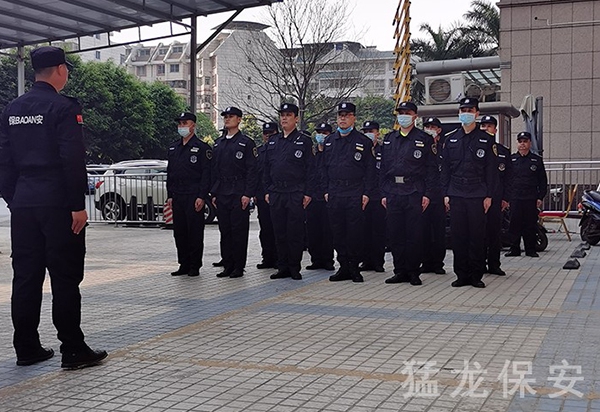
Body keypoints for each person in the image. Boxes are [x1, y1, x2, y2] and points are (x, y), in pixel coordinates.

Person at [0, 46, 107, 368]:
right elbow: (72, 160)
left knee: (26, 277)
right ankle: (73, 349)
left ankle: (27, 348)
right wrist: (77, 205)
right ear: (60, 70)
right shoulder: (63, 108)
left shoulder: (12, 109)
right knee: (64, 277)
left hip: (24, 203)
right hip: (58, 204)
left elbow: (4, 162)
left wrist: (14, 198)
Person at [441, 97, 498, 288]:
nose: (466, 113)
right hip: (456, 193)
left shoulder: (487, 140)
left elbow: (491, 170)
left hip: (477, 194)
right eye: (463, 110)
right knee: (458, 237)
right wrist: (446, 193)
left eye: (470, 110)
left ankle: (476, 275)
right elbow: (446, 169)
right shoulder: (451, 139)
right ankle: (461, 275)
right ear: (459, 113)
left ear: (477, 113)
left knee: (476, 236)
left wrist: (489, 195)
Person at [380, 103, 437, 286]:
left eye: (407, 113)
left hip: (414, 191)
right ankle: (400, 271)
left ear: (415, 116)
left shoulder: (424, 139)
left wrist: (427, 194)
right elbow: (382, 171)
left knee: (414, 234)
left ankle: (413, 271)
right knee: (395, 234)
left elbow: (431, 170)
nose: (403, 116)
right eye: (401, 113)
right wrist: (383, 193)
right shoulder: (389, 139)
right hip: (393, 192)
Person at [322, 102, 376, 283]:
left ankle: (354, 267)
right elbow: (322, 169)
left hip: (354, 191)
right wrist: (326, 191)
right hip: (335, 192)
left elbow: (370, 171)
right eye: (340, 115)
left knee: (354, 232)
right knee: (337, 232)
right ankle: (343, 266)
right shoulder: (329, 141)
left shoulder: (363, 141)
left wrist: (366, 193)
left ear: (354, 118)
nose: (342, 118)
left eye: (346, 115)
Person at [264, 103, 314, 280]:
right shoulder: (273, 141)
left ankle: (294, 267)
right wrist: (268, 189)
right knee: (279, 232)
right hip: (277, 192)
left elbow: (310, 169)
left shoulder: (304, 141)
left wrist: (308, 193)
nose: (284, 118)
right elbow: (267, 168)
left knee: (294, 232)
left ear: (296, 118)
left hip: (295, 192)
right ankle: (282, 266)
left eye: (288, 115)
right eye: (282, 115)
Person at [210, 106, 258, 278]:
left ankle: (239, 266)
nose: (227, 119)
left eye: (231, 117)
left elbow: (252, 171)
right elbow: (214, 171)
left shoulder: (246, 143)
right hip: (222, 191)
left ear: (239, 120)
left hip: (238, 192)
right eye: (225, 117)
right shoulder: (218, 143)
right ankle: (227, 264)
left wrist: (248, 194)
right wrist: (214, 193)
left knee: (238, 231)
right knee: (225, 231)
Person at [167, 112, 212, 277]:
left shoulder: (202, 148)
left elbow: (206, 175)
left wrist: (202, 196)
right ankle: (183, 263)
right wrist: (170, 195)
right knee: (179, 232)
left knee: (194, 232)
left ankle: (194, 265)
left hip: (193, 196)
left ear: (193, 125)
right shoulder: (173, 148)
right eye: (180, 124)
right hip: (178, 195)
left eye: (185, 123)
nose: (181, 126)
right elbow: (170, 173)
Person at [505, 131, 548, 257]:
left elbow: (542, 180)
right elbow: (506, 180)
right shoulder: (511, 159)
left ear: (529, 143)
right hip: (515, 197)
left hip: (530, 198)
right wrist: (506, 198)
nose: (522, 144)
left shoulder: (536, 160)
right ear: (517, 143)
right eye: (520, 141)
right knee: (514, 224)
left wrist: (540, 197)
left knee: (530, 224)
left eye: (525, 141)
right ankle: (514, 249)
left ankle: (530, 249)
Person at [479, 115, 511, 275]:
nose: (485, 128)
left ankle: (494, 264)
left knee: (494, 233)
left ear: (495, 130)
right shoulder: (475, 149)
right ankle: (479, 264)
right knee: (479, 233)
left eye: (489, 126)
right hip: (478, 198)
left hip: (496, 199)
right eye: (483, 125)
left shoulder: (503, 152)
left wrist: (505, 198)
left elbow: (509, 178)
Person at [305, 122, 335, 271]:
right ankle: (316, 259)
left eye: (324, 133)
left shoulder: (332, 152)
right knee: (313, 230)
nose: (321, 135)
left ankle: (328, 260)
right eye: (319, 132)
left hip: (327, 197)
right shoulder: (312, 153)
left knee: (327, 230)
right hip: (312, 197)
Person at [420, 117, 447, 275]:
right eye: (427, 126)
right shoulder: (421, 147)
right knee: (423, 230)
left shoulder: (445, 148)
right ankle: (425, 261)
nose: (430, 129)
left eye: (433, 126)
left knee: (438, 232)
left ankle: (438, 263)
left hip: (439, 196)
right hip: (423, 195)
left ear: (439, 130)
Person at [359, 120, 386, 273]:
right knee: (363, 230)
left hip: (378, 196)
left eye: (371, 130)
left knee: (378, 231)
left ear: (378, 133)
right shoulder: (360, 149)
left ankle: (378, 261)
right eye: (366, 131)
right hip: (363, 196)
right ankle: (365, 260)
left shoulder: (384, 150)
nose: (369, 133)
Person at [255, 122, 279, 269]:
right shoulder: (259, 152)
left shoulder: (280, 150)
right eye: (266, 133)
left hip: (277, 194)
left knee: (278, 228)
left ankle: (279, 258)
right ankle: (267, 258)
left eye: (271, 133)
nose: (268, 136)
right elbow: (255, 174)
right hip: (262, 196)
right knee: (265, 229)